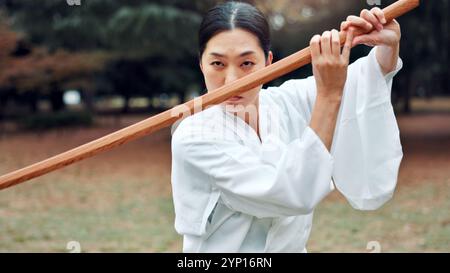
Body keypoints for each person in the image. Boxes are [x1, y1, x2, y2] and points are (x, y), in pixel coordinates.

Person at [170, 1, 403, 252]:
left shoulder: (284, 102)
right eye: (218, 64)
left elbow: (361, 81)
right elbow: (293, 192)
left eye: (246, 63)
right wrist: (329, 94)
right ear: (201, 64)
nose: (231, 81)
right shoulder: (193, 138)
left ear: (268, 62)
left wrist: (387, 47)